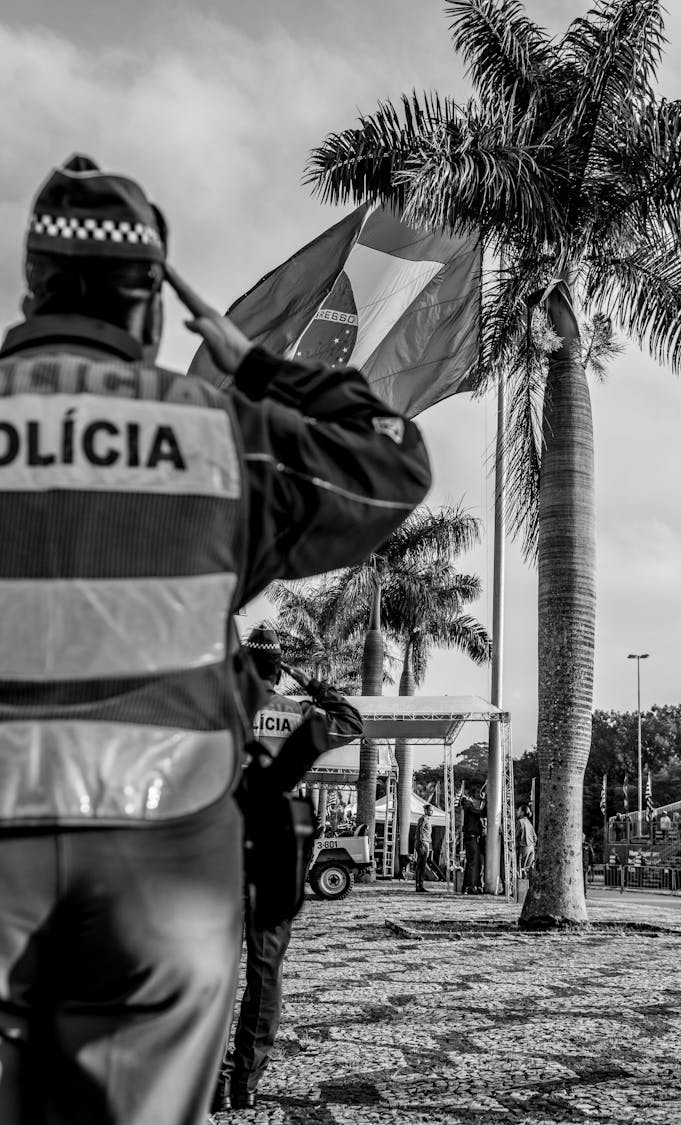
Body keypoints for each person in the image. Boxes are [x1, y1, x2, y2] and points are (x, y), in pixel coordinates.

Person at [0, 155, 431, 1125]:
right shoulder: (219, 435)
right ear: (151, 311)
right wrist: (252, 361)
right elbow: (395, 459)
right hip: (162, 869)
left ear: (31, 287)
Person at [214, 626, 362, 1112]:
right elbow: (350, 720)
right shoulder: (298, 715)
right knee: (265, 971)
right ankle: (245, 1082)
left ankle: (210, 1078)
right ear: (279, 671)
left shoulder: (218, 711)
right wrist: (313, 683)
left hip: (216, 848)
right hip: (274, 853)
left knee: (211, 970)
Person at [459, 784, 487, 894]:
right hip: (471, 837)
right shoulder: (468, 804)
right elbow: (481, 813)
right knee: (472, 863)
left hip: (473, 838)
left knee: (474, 863)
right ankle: (469, 886)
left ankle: (470, 885)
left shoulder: (470, 806)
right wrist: (486, 804)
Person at [414, 804, 434, 892]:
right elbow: (419, 831)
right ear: (426, 811)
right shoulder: (423, 819)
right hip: (422, 843)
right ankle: (418, 885)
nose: (431, 812)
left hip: (426, 842)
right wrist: (421, 843)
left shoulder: (428, 819)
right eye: (430, 810)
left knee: (423, 865)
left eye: (432, 810)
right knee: (420, 864)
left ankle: (420, 884)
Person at [516, 805, 537, 877]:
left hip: (524, 847)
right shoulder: (528, 822)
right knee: (528, 870)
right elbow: (535, 837)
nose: (517, 812)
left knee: (520, 870)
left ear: (522, 812)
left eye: (518, 810)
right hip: (531, 848)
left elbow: (515, 835)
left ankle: (521, 887)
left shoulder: (520, 822)